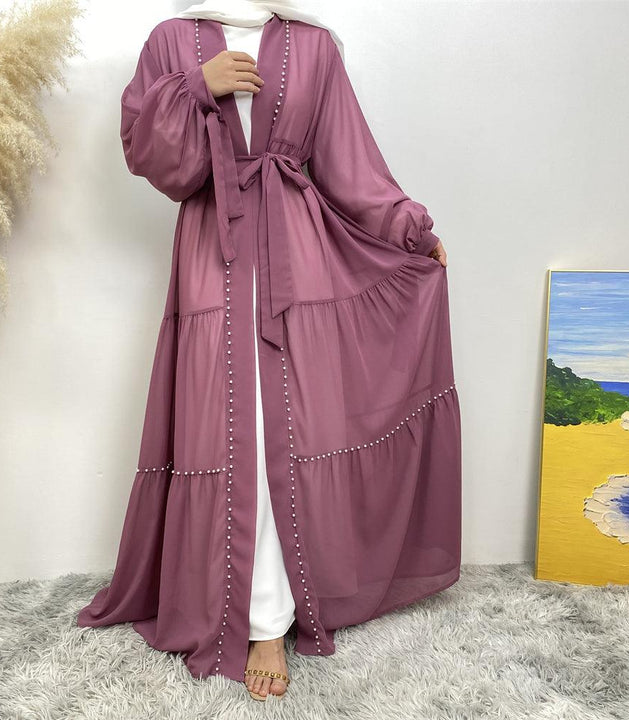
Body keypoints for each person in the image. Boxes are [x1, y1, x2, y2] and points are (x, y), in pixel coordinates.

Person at [77, 0, 460, 702]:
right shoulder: (172, 39)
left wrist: (410, 230)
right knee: (236, 432)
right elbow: (152, 158)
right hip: (213, 251)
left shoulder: (315, 45)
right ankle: (249, 612)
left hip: (298, 257)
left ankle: (269, 620)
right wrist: (197, 86)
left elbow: (350, 165)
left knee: (284, 433)